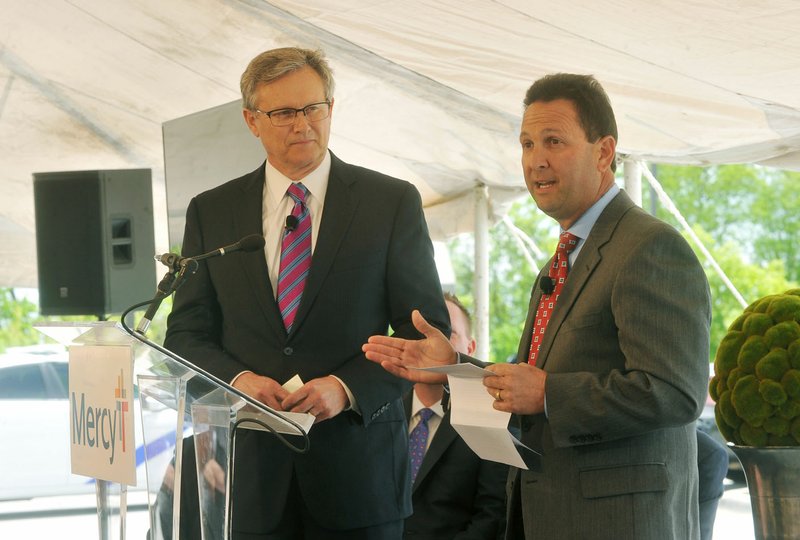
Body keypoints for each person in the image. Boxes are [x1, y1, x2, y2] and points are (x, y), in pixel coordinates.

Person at [364, 73, 712, 539]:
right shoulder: (563, 258)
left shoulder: (648, 247)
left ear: (604, 152)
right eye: (527, 144)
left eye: (554, 142)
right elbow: (526, 386)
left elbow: (675, 392)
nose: (536, 161)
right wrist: (453, 366)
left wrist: (550, 393)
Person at [164, 46, 449, 539]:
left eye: (314, 108)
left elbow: (423, 333)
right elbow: (186, 334)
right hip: (247, 484)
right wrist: (238, 381)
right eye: (284, 113)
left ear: (332, 109)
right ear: (252, 121)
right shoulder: (212, 211)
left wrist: (346, 389)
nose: (303, 124)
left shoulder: (389, 203)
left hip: (358, 482)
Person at [404, 292, 507, 539]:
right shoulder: (381, 411)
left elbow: (492, 515)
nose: (431, 344)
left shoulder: (488, 417)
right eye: (423, 333)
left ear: (469, 348)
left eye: (446, 333)